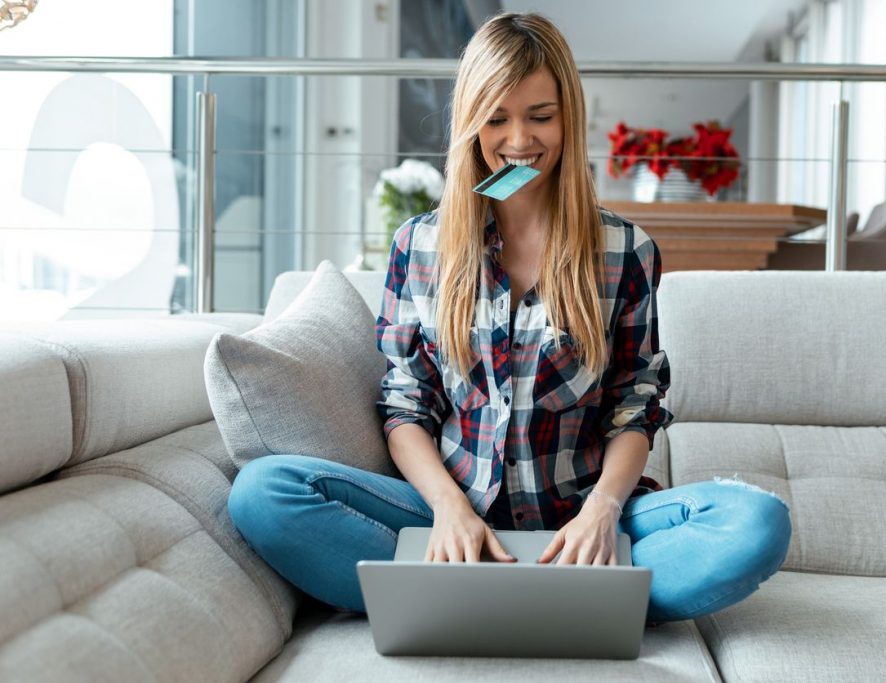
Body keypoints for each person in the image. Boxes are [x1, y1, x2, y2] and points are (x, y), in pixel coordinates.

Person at [227, 11, 792, 625]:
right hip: (452, 516)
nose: (519, 140)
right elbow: (407, 403)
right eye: (496, 118)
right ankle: (565, 610)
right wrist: (448, 509)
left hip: (576, 520)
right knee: (263, 492)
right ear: (470, 122)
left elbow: (635, 403)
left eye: (540, 116)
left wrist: (602, 512)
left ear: (568, 117)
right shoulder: (419, 245)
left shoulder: (626, 251)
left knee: (756, 521)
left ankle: (468, 605)